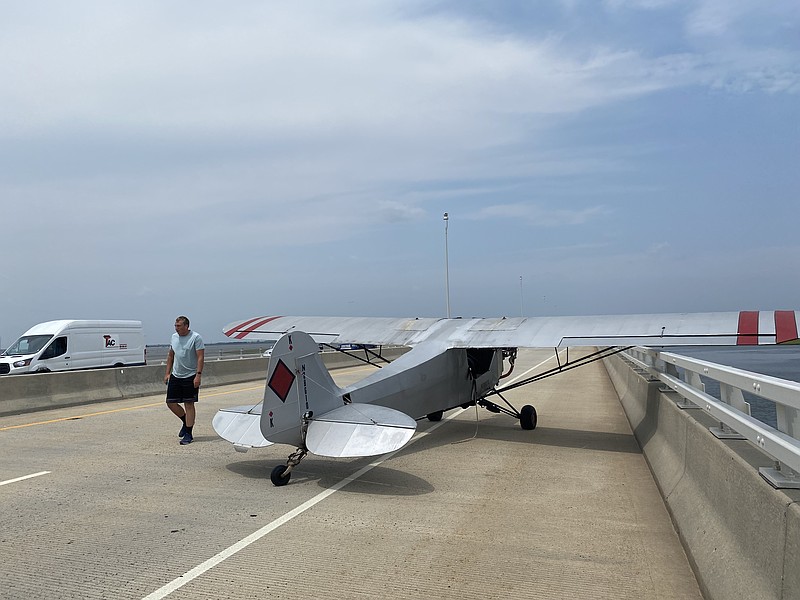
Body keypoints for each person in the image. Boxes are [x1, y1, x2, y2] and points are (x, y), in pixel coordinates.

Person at [164, 316, 204, 445]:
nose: (176, 328)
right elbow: (171, 355)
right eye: (175, 326)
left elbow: (200, 357)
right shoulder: (174, 337)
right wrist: (167, 373)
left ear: (186, 326)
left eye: (179, 326)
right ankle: (185, 421)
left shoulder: (196, 337)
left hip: (190, 375)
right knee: (170, 403)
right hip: (176, 375)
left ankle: (189, 433)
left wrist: (198, 375)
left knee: (189, 404)